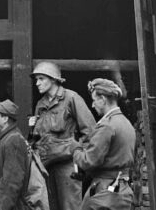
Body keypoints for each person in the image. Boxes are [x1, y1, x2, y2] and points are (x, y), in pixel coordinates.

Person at [30, 62, 96, 210]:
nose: (37, 83)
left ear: (53, 79)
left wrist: (80, 158)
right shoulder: (40, 104)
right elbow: (37, 136)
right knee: (48, 205)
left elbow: (90, 132)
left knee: (69, 206)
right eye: (36, 80)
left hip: (67, 166)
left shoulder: (71, 98)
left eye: (41, 79)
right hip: (45, 165)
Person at [72, 78, 136, 210]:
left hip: (104, 191)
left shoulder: (107, 125)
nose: (92, 105)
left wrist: (76, 149)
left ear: (103, 99)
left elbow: (89, 161)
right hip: (123, 190)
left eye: (94, 100)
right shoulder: (125, 122)